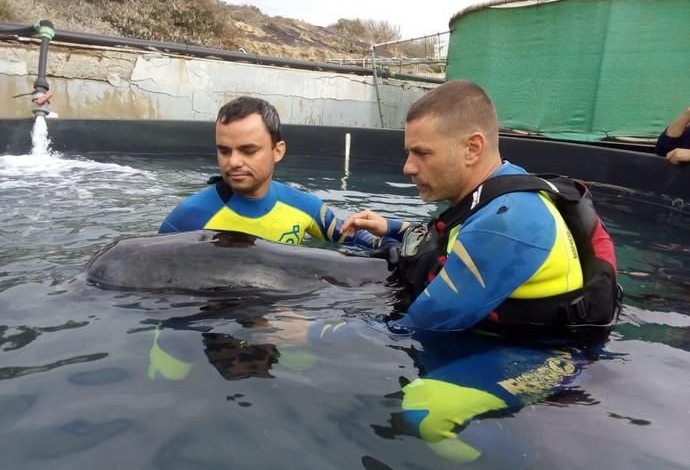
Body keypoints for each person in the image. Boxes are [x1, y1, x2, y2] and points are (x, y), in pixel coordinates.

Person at [342, 80, 620, 332]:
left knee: (423, 391)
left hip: (537, 359)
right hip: (494, 337)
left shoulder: (507, 222)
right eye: (409, 153)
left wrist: (315, 334)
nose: (408, 167)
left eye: (422, 153)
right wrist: (390, 227)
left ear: (472, 148)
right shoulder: (502, 189)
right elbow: (450, 240)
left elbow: (421, 324)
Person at [159, 96, 401, 247]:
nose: (233, 162)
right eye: (224, 151)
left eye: (248, 150)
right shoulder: (187, 217)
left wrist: (389, 245)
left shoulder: (305, 206)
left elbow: (351, 237)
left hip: (284, 321)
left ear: (278, 151)